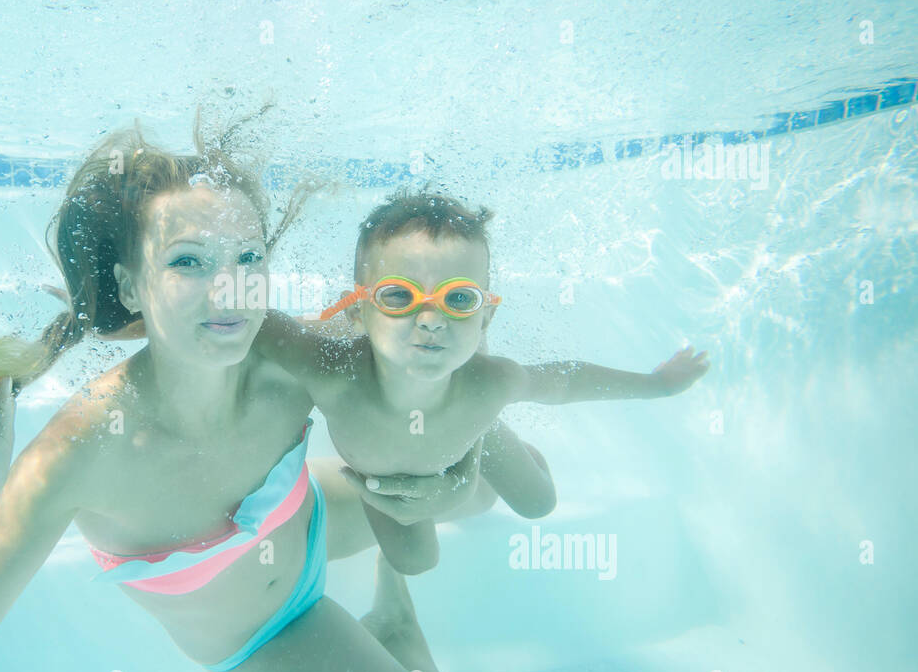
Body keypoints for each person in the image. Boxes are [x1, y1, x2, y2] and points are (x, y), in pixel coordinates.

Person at [0, 123, 488, 672]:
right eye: (188, 262)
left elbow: (442, 400)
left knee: (479, 493)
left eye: (247, 257)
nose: (230, 290)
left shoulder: (291, 359)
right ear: (128, 283)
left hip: (311, 514)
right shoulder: (81, 452)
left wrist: (451, 483)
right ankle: (400, 640)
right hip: (270, 636)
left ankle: (397, 624)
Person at [255, 191, 710, 576]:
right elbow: (257, 325)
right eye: (399, 296)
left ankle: (483, 432)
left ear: (486, 315)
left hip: (469, 420)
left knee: (538, 504)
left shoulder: (490, 384)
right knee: (414, 564)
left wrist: (658, 385)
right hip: (386, 480)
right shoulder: (329, 371)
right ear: (357, 310)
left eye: (459, 299)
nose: (431, 320)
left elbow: (564, 383)